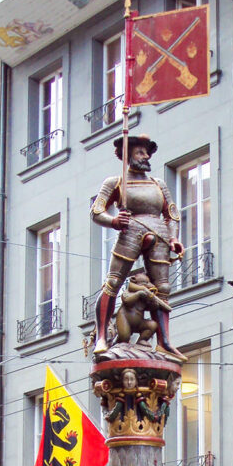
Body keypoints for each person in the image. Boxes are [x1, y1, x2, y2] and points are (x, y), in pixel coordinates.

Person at [91, 134, 184, 355]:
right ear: (127, 155)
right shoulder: (115, 182)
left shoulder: (158, 184)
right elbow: (96, 211)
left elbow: (172, 214)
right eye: (139, 152)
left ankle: (164, 342)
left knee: (162, 288)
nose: (145, 156)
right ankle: (102, 337)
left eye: (146, 152)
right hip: (130, 230)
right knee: (113, 282)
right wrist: (114, 221)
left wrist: (174, 238)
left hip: (158, 232)